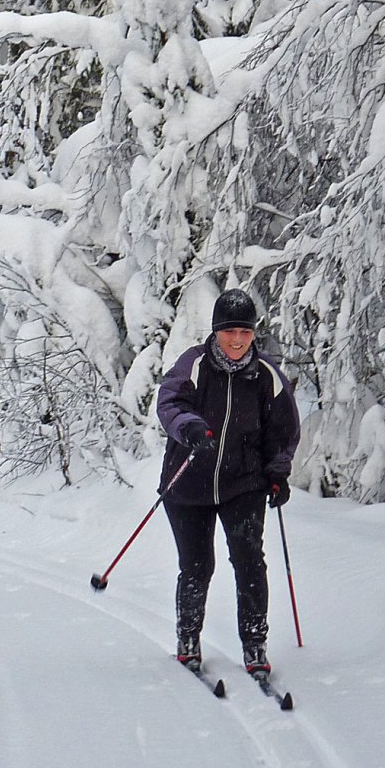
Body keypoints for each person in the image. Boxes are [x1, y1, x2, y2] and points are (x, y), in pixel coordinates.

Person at [153, 288, 300, 675]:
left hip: (243, 483)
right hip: (188, 483)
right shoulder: (195, 364)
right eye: (230, 331)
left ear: (254, 334)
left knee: (250, 561)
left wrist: (277, 472)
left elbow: (283, 429)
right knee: (197, 565)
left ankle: (254, 644)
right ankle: (188, 638)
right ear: (217, 331)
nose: (237, 340)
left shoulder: (265, 375)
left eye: (245, 332)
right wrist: (192, 429)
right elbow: (169, 404)